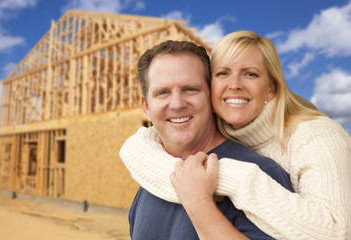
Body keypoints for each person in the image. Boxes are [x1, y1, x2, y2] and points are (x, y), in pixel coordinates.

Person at [120, 31, 351, 240]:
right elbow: (138, 146)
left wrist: (213, 190)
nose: (178, 103)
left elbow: (336, 232)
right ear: (146, 107)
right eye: (162, 92)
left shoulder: (309, 142)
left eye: (191, 89)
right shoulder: (152, 174)